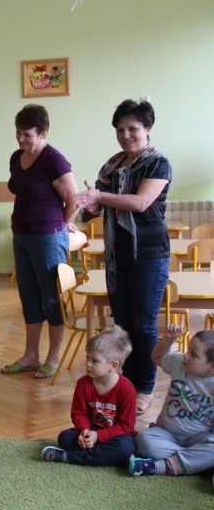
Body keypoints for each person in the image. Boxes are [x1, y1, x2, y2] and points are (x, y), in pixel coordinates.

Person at [76, 99, 172, 415]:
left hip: (149, 254)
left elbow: (141, 202)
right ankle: (124, 385)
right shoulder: (112, 165)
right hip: (117, 255)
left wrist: (100, 197)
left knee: (143, 326)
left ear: (148, 129)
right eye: (120, 130)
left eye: (133, 128)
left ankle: (144, 387)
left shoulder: (158, 163)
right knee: (122, 325)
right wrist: (91, 205)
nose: (126, 135)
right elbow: (99, 207)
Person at [2, 104, 79, 380]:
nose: (21, 139)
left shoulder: (54, 160)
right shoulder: (17, 157)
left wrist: (62, 224)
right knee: (29, 296)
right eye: (18, 133)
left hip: (48, 237)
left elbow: (74, 200)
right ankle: (31, 355)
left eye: (27, 135)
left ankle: (53, 358)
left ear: (43, 133)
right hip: (21, 235)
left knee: (51, 298)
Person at [42, 326, 136, 466]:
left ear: (114, 365)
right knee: (65, 438)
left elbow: (125, 426)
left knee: (125, 447)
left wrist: (99, 436)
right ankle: (109, 457)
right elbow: (78, 413)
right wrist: (84, 431)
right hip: (90, 430)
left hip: (115, 435)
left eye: (95, 360)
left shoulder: (127, 389)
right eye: (87, 358)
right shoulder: (83, 383)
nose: (88, 364)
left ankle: (68, 457)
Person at [129, 326, 214, 476]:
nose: (186, 355)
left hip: (199, 437)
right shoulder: (179, 363)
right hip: (166, 433)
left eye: (193, 354)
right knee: (143, 440)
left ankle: (161, 466)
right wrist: (168, 339)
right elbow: (157, 357)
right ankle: (195, 463)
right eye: (188, 349)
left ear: (212, 367)